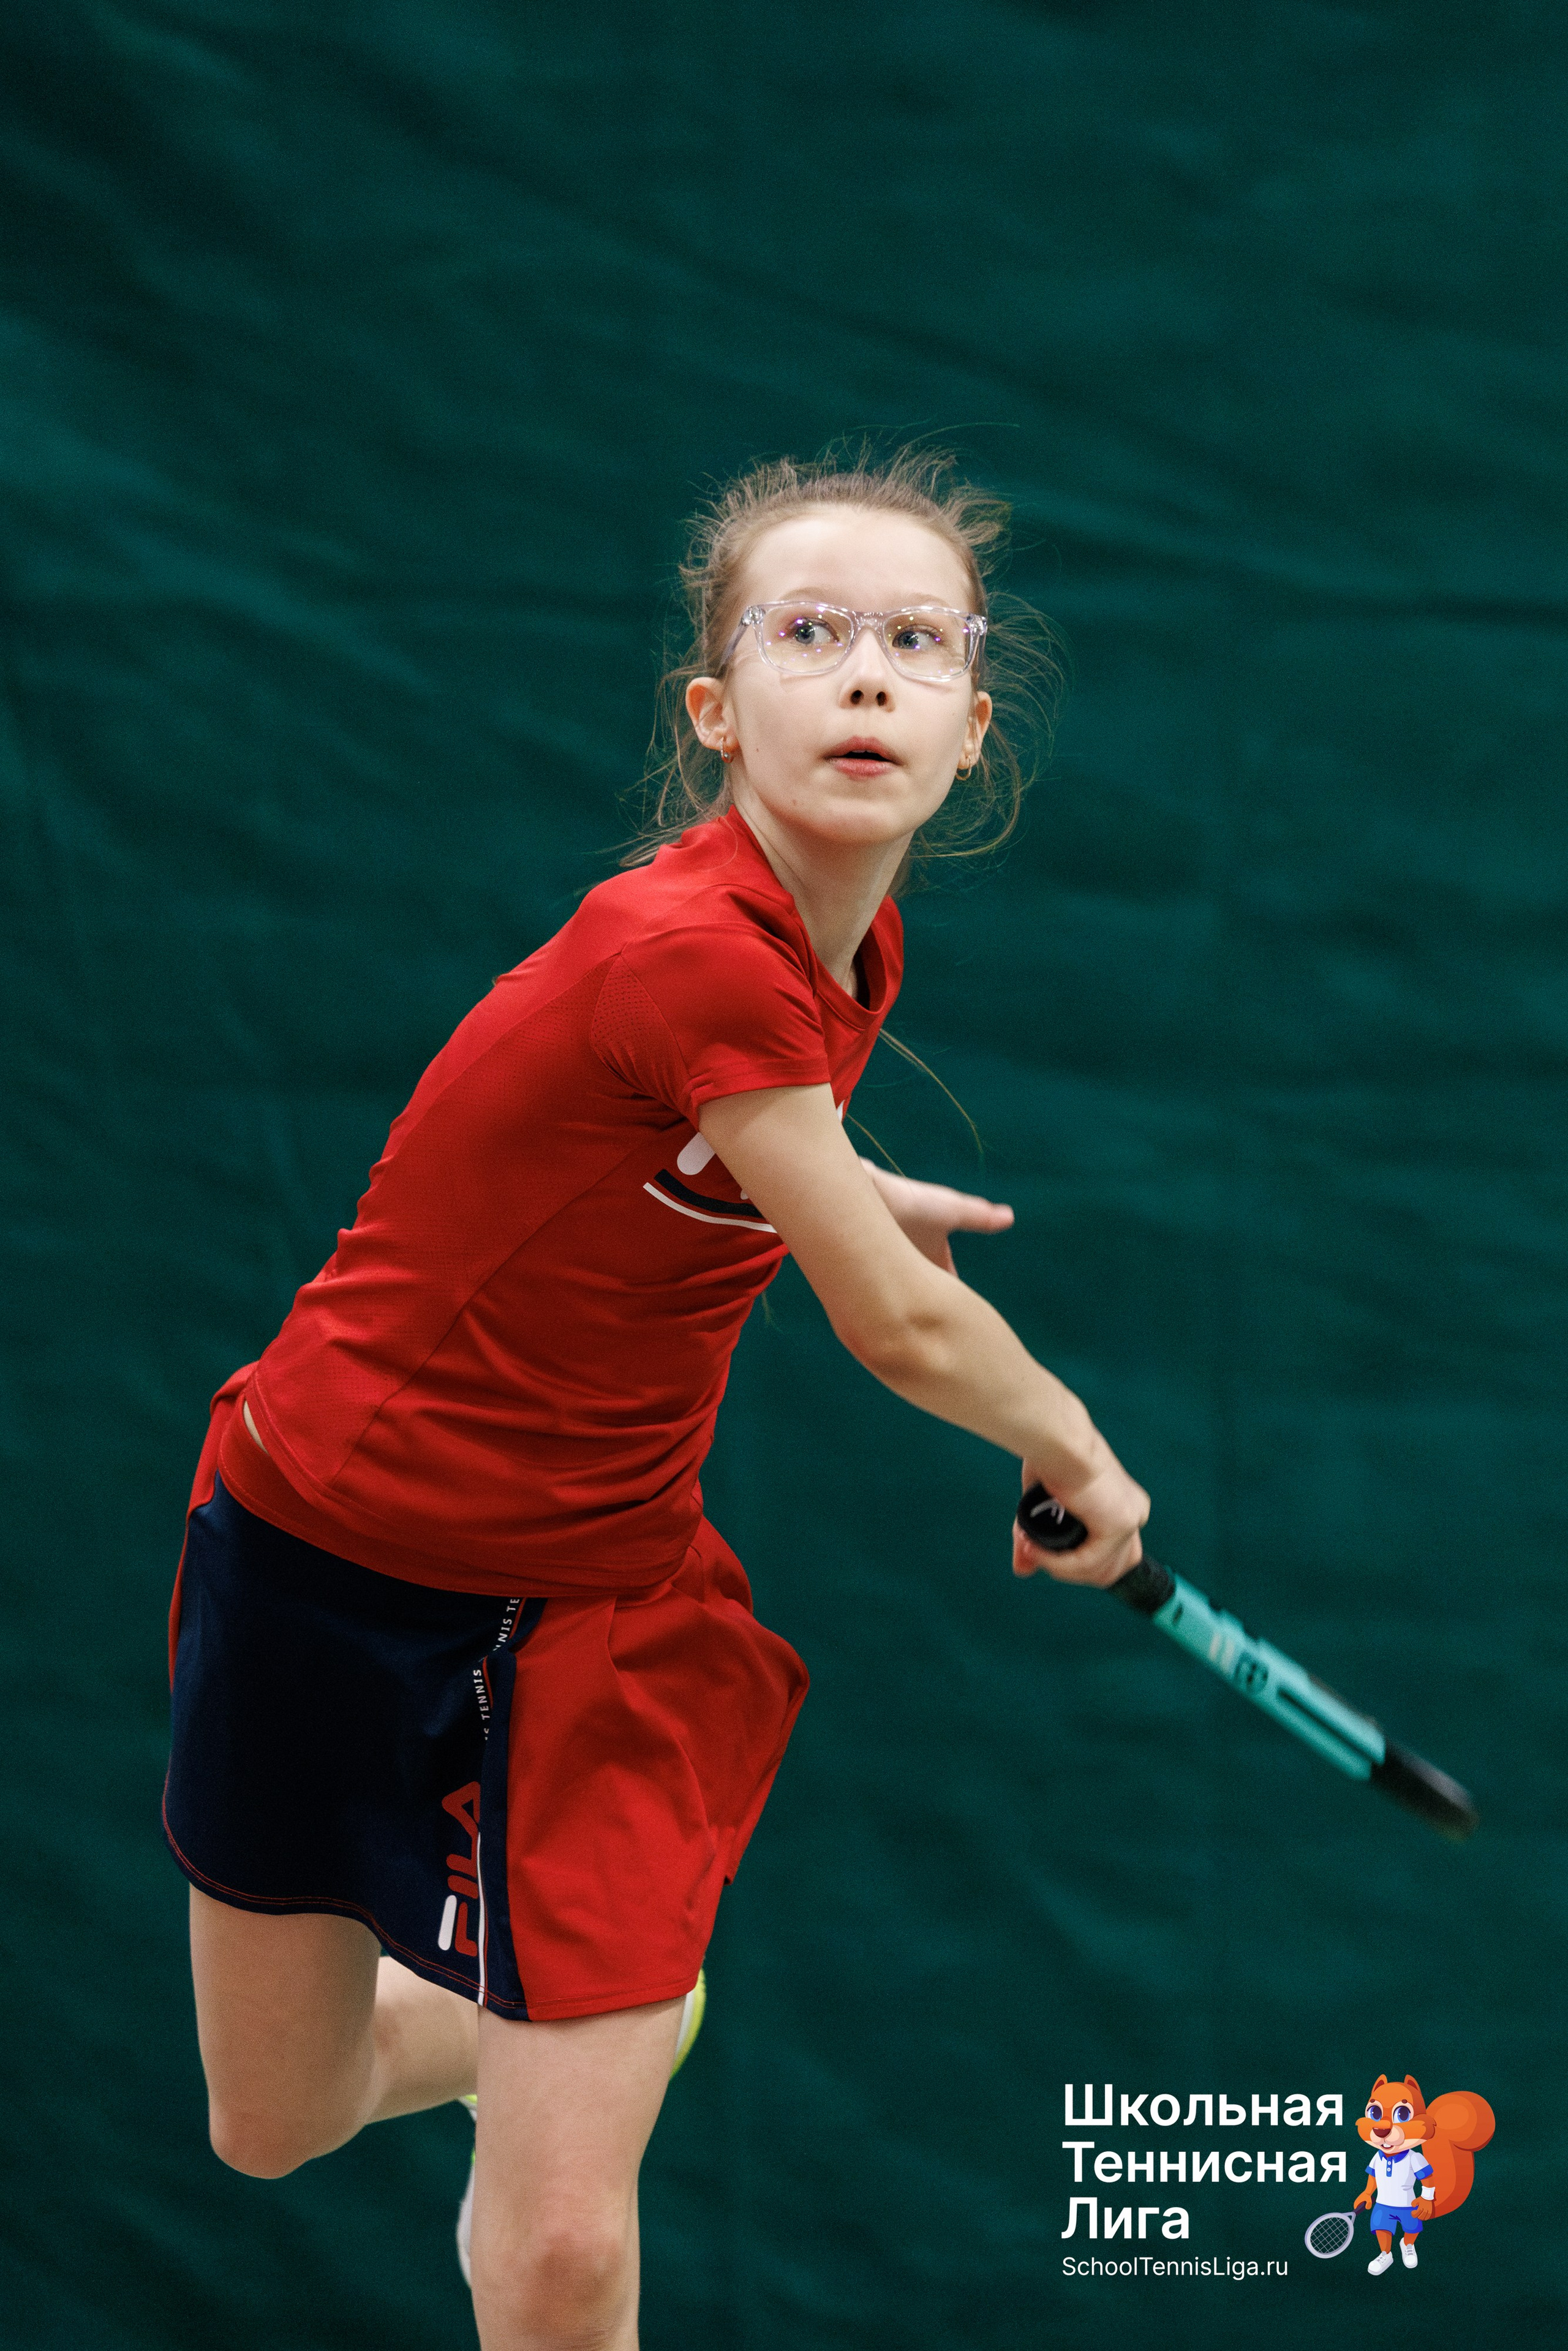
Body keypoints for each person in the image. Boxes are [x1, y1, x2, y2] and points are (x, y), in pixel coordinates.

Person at [162, 448, 1150, 2351]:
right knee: (271, 2126)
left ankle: (579, 2020)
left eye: (917, 646)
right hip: (313, 1553)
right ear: (714, 712)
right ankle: (554, 2015)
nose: (867, 676)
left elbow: (681, 1141)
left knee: (554, 2257)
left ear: (970, 730)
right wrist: (1076, 1456)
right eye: (811, 633)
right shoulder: (693, 950)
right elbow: (908, 1335)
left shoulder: (841, 954)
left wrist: (817, 1174)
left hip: (596, 1611)